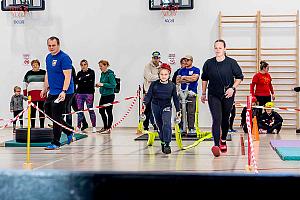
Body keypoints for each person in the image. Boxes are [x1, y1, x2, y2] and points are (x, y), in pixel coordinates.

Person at [201, 39, 244, 157]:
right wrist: (204, 93)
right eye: (216, 48)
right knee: (216, 118)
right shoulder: (208, 63)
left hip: (228, 94)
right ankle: (215, 145)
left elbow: (239, 77)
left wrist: (233, 88)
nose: (218, 50)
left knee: (225, 118)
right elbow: (204, 79)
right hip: (213, 94)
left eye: (220, 48)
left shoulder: (231, 63)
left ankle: (223, 140)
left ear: (225, 49)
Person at [41, 36, 76, 150]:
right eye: (49, 45)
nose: (51, 48)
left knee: (56, 115)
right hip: (53, 91)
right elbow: (48, 73)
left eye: (53, 45)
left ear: (58, 45)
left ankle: (56, 142)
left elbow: (68, 76)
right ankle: (69, 130)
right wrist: (45, 88)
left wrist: (64, 91)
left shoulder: (64, 58)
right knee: (47, 111)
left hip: (64, 91)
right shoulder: (48, 57)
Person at [142, 63, 180, 154]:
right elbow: (149, 96)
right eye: (162, 74)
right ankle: (162, 142)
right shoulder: (154, 84)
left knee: (166, 124)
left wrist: (178, 110)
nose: (163, 76)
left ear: (169, 74)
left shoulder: (172, 85)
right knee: (160, 127)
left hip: (166, 106)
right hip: (155, 106)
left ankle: (167, 144)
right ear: (159, 75)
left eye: (165, 74)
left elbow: (175, 98)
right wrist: (144, 104)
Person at [176, 55, 200, 135]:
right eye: (185, 60)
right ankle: (182, 128)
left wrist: (184, 78)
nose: (186, 62)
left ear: (191, 61)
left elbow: (194, 79)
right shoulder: (181, 70)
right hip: (182, 93)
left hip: (191, 93)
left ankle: (191, 128)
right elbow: (178, 80)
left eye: (188, 60)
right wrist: (188, 79)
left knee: (191, 112)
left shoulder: (196, 69)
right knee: (181, 111)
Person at [23, 59, 46, 128]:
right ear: (31, 66)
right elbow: (24, 84)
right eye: (33, 65)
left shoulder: (44, 72)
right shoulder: (28, 73)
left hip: (42, 95)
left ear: (39, 65)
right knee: (32, 112)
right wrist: (25, 95)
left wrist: (46, 91)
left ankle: (42, 126)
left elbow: (48, 82)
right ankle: (32, 127)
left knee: (41, 111)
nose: (35, 66)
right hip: (31, 95)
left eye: (36, 65)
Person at [96, 60, 116, 134]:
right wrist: (99, 85)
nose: (100, 68)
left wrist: (103, 85)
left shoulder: (110, 74)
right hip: (103, 95)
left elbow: (113, 85)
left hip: (109, 96)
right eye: (99, 66)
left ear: (106, 65)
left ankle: (108, 128)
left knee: (109, 111)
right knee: (101, 111)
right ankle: (105, 127)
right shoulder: (102, 74)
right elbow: (102, 83)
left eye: (101, 66)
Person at [76, 59, 97, 133]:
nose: (83, 66)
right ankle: (78, 127)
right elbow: (76, 81)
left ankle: (94, 127)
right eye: (82, 65)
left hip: (89, 94)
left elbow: (87, 79)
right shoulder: (79, 73)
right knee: (80, 111)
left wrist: (81, 79)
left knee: (90, 110)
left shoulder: (92, 72)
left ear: (87, 65)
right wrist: (84, 78)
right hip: (79, 94)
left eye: (85, 64)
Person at [143, 51, 160, 131]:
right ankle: (145, 127)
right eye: (154, 58)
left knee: (158, 110)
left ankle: (157, 126)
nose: (155, 59)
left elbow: (166, 76)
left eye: (157, 58)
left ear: (159, 58)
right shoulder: (147, 66)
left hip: (159, 92)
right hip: (148, 92)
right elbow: (149, 77)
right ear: (152, 58)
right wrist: (160, 76)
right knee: (147, 110)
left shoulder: (162, 66)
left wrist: (158, 77)